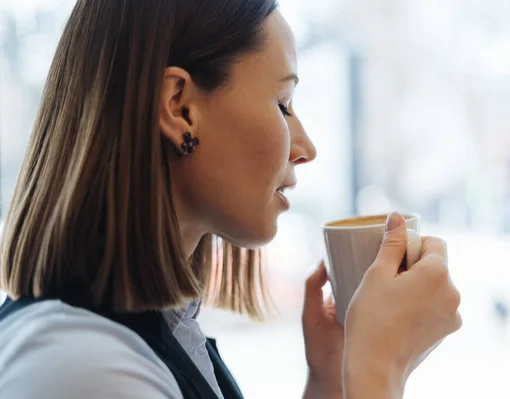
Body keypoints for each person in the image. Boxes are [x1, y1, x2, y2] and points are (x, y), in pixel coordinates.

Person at [0, 1, 462, 398]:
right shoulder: (80, 367)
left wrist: (332, 381)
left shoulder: (152, 331)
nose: (306, 148)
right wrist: (378, 372)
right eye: (283, 103)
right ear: (180, 108)